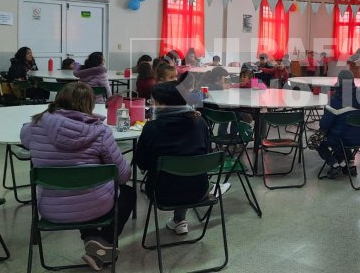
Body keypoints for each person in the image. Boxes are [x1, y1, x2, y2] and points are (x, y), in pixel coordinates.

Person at [20, 82, 134, 271]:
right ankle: (104, 241)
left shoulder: (35, 126)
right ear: (89, 104)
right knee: (127, 193)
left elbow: (24, 136)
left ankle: (93, 242)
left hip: (51, 208)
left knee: (77, 191)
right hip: (96, 206)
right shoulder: (101, 132)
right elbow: (122, 176)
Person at [136, 81, 214, 236]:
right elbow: (206, 153)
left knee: (173, 175)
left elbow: (142, 163)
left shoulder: (152, 128)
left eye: (153, 101)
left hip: (161, 192)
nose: (151, 104)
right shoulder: (200, 123)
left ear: (163, 105)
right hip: (199, 190)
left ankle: (179, 220)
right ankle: (179, 219)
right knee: (185, 172)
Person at [315, 70, 360, 179]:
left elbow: (324, 125)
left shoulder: (335, 100)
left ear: (339, 82)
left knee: (318, 141)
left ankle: (335, 164)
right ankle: (349, 164)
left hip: (341, 138)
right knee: (346, 134)